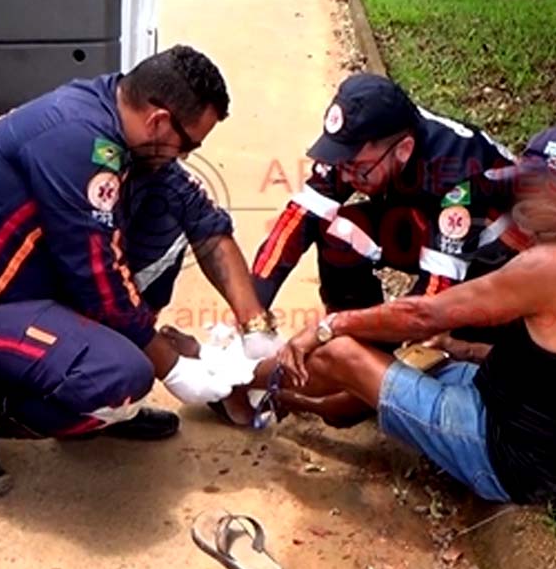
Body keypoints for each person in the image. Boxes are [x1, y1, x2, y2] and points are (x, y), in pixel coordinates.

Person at [0, 45, 278, 501]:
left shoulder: (127, 128)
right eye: (190, 143)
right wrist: (174, 368)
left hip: (12, 291)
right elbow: (102, 287)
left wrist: (256, 331)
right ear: (158, 121)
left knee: (168, 209)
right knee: (119, 378)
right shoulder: (79, 141)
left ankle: (97, 401)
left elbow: (208, 227)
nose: (188, 155)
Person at [239, 126, 556, 502]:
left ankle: (233, 378)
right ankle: (280, 394)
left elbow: (425, 315)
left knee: (343, 352)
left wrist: (330, 326)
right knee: (379, 380)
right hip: (546, 445)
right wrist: (459, 347)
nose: (521, 197)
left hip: (502, 455)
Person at [215, 73, 520, 425]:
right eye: (339, 161)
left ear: (403, 151)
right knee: (340, 230)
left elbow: (433, 302)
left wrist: (339, 332)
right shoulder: (361, 143)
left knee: (434, 348)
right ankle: (359, 355)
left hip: (491, 263)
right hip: (424, 222)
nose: (344, 175)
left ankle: (358, 363)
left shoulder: (458, 181)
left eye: (356, 169)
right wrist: (252, 321)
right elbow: (296, 222)